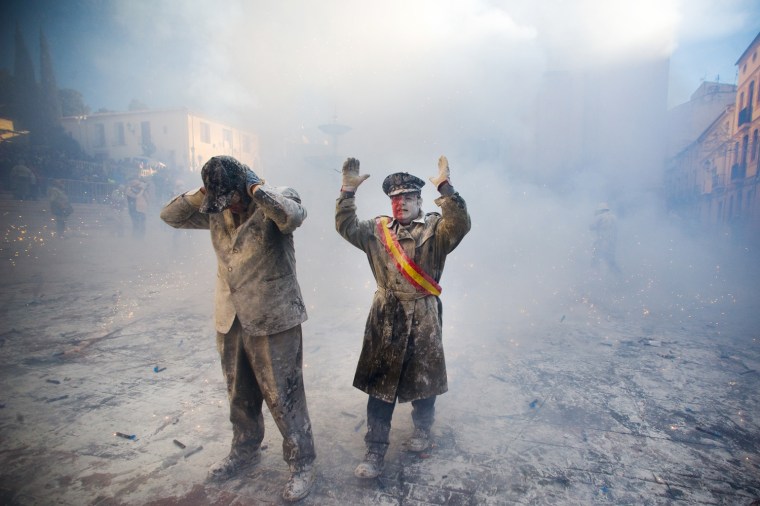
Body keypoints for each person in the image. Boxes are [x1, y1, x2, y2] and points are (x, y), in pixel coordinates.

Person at [160, 156, 316, 502]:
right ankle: (244, 450)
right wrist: (206, 192)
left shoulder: (275, 199)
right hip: (230, 318)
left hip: (273, 317)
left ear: (244, 186)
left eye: (231, 197)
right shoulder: (215, 206)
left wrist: (255, 189)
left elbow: (292, 216)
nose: (226, 206)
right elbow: (170, 217)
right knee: (239, 394)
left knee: (284, 396)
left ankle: (302, 463)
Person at [335, 155, 471, 479]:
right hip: (387, 317)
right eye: (396, 199)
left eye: (408, 197)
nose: (401, 204)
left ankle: (423, 430)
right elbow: (346, 226)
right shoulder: (378, 230)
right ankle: (375, 449)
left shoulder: (437, 229)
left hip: (423, 314)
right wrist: (347, 193)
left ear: (420, 200)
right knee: (380, 388)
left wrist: (446, 188)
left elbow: (461, 224)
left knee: (423, 381)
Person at [590, 202, 620, 274]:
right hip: (612, 243)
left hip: (601, 242)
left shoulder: (600, 216)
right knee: (610, 261)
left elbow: (591, 227)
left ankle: (593, 278)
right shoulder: (614, 217)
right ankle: (619, 277)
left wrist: (595, 216)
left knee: (595, 261)